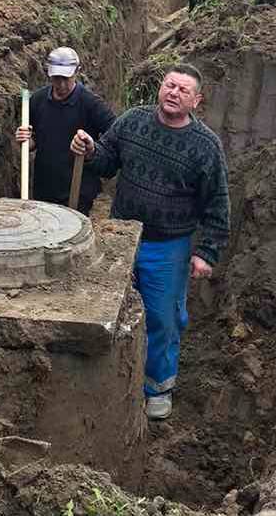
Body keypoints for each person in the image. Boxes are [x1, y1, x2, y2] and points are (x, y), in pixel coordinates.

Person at [70, 63, 229, 420]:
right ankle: (113, 377)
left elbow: (217, 201)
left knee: (162, 316)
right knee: (113, 308)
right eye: (169, 85)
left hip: (167, 246)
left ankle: (157, 388)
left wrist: (207, 251)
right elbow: (108, 160)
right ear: (160, 87)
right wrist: (92, 149)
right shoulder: (133, 121)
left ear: (196, 101)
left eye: (182, 90)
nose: (173, 93)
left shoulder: (205, 147)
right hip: (121, 235)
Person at [15, 47, 115, 216]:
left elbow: (115, 136)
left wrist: (92, 149)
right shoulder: (37, 101)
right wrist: (26, 141)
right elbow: (35, 141)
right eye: (56, 78)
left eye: (66, 78)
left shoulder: (91, 104)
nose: (61, 84)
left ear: (77, 72)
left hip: (79, 193)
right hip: (44, 190)